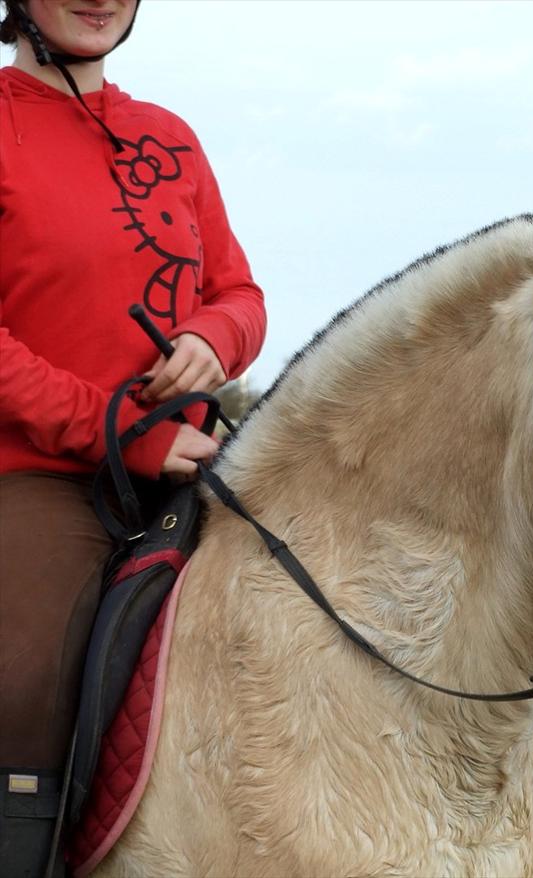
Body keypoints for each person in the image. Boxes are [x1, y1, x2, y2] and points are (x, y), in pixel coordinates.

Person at [0, 1, 266, 874]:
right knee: (22, 682)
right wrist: (118, 433)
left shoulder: (172, 138)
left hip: (191, 467)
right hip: (37, 477)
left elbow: (241, 295)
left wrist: (211, 340)